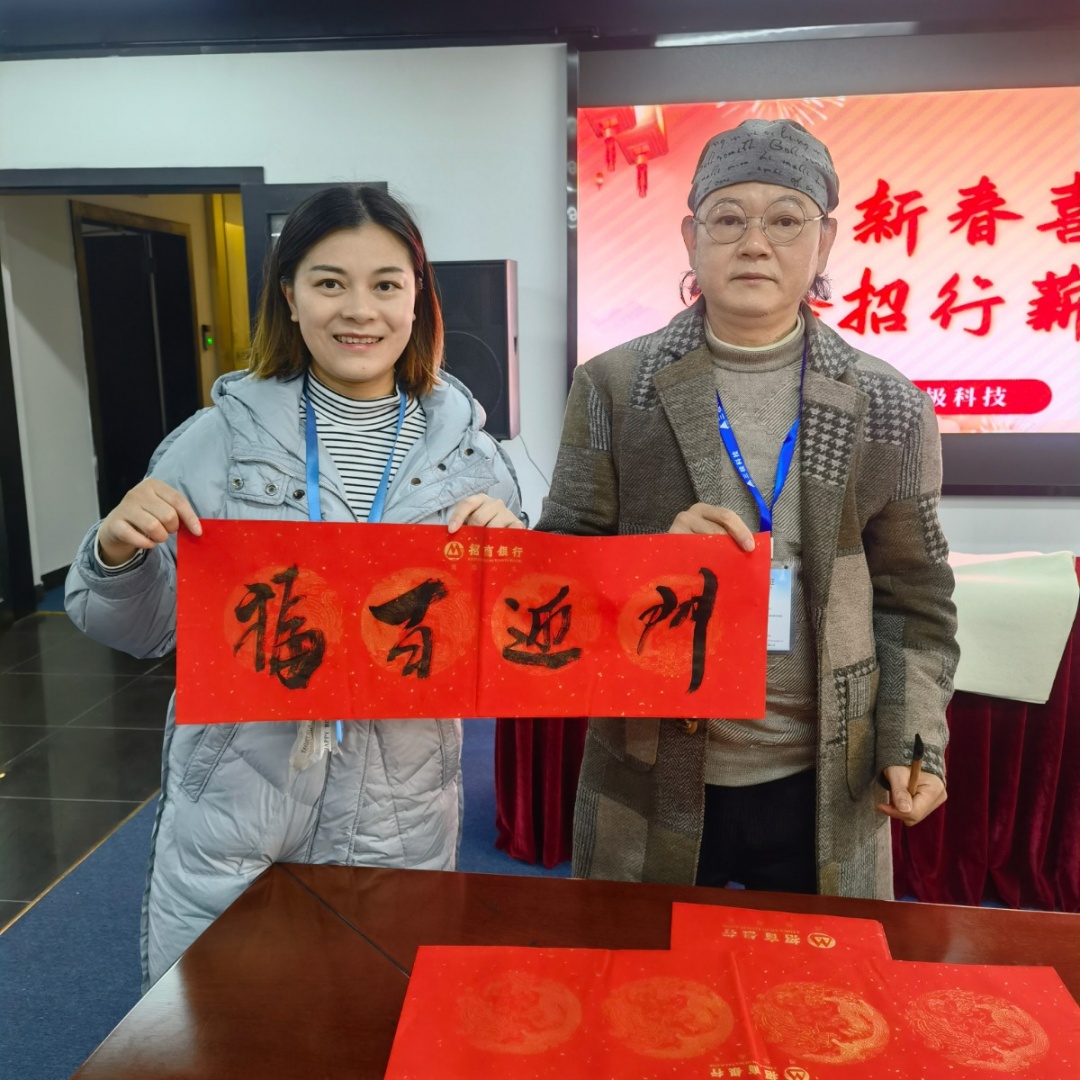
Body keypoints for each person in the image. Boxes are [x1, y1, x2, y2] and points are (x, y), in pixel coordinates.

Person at [65, 184, 524, 989]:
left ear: (417, 296)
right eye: (329, 282)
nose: (360, 310)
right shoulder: (217, 441)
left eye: (386, 283)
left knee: (376, 1017)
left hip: (399, 804)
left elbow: (497, 648)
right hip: (241, 801)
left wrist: (511, 564)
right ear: (289, 294)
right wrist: (116, 554)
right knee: (229, 1022)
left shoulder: (472, 460)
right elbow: (142, 629)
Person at [538, 119, 959, 899]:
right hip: (651, 765)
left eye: (786, 219)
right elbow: (555, 574)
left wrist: (913, 739)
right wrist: (653, 562)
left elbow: (915, 598)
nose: (755, 243)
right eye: (728, 218)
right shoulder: (614, 386)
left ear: (825, 242)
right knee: (639, 968)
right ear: (691, 237)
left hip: (825, 776)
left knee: (820, 973)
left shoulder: (888, 404)